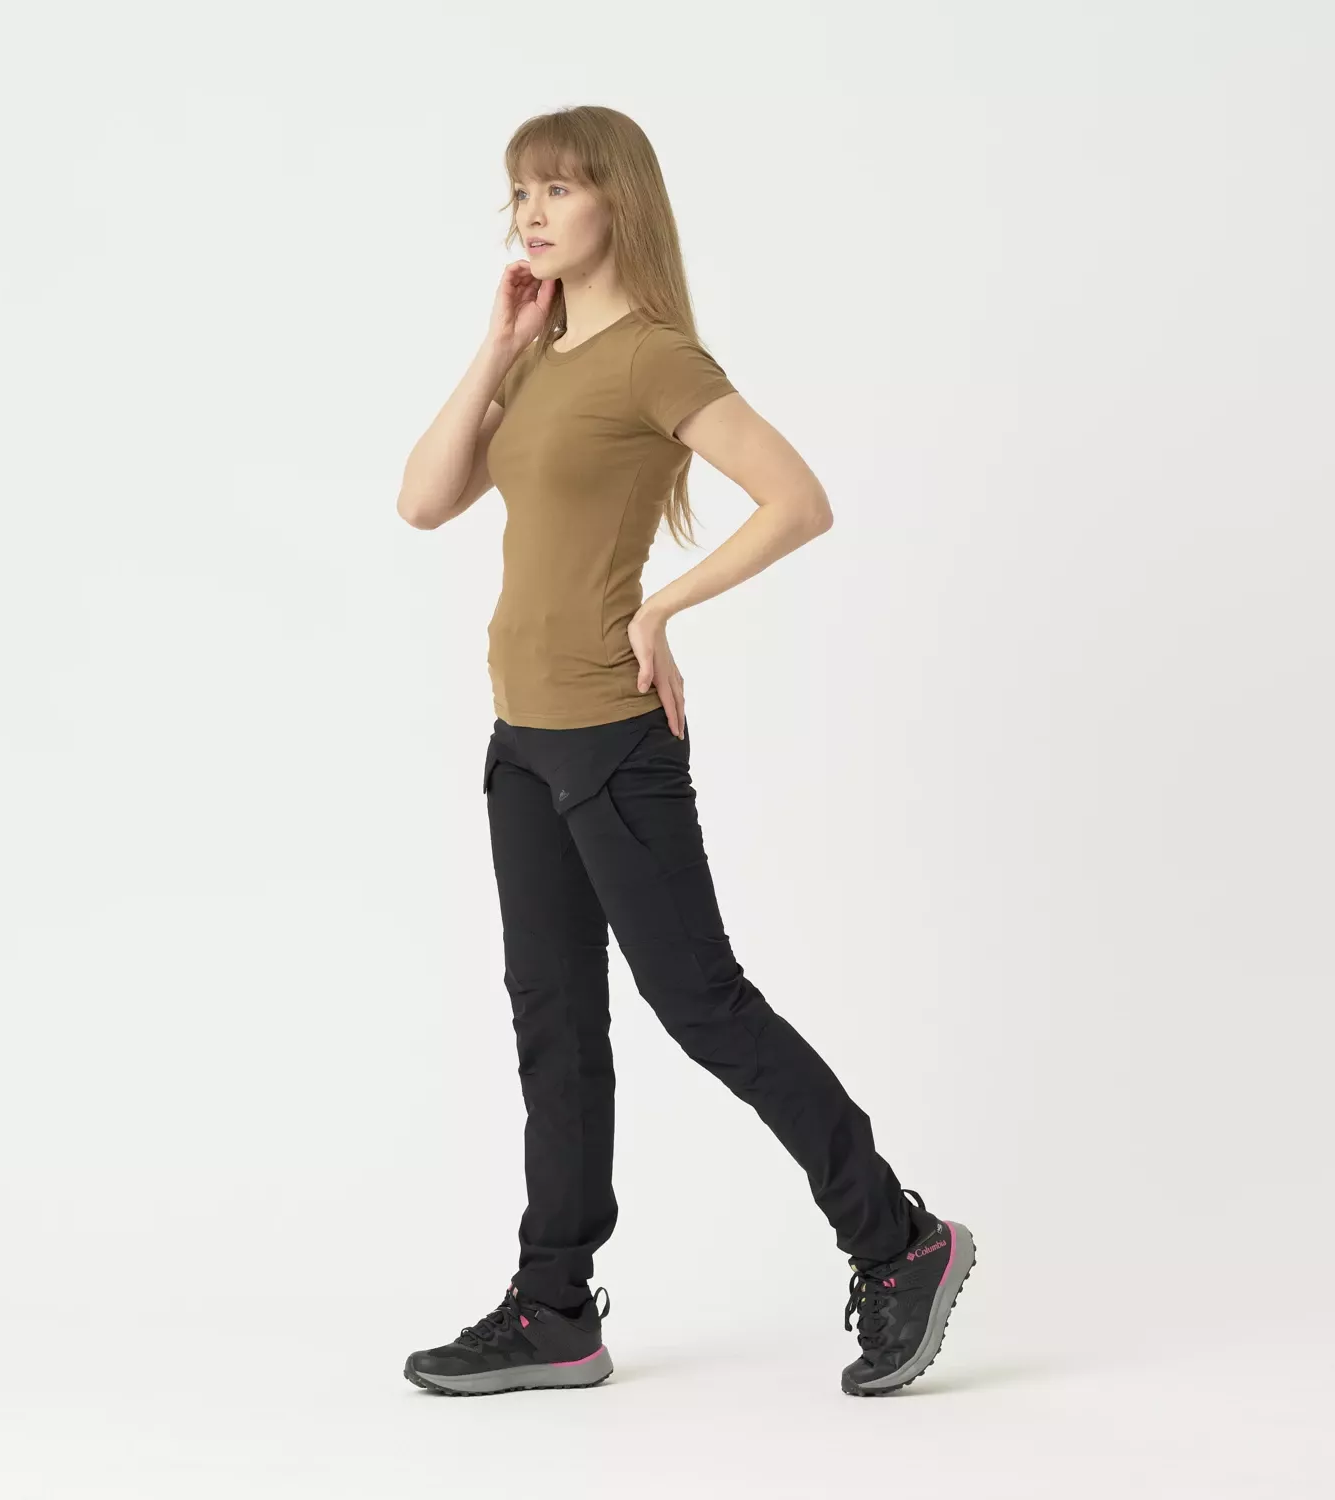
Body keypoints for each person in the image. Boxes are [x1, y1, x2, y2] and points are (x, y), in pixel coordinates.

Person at [395, 105, 975, 1398]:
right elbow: (424, 499)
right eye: (520, 192)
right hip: (521, 743)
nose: (531, 212)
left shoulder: (654, 358)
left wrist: (661, 607)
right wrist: (496, 345)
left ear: (620, 202)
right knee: (555, 1030)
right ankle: (554, 1308)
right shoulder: (538, 360)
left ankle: (899, 1241)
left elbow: (799, 500)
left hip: (612, 738)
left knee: (703, 1006)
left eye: (558, 188)